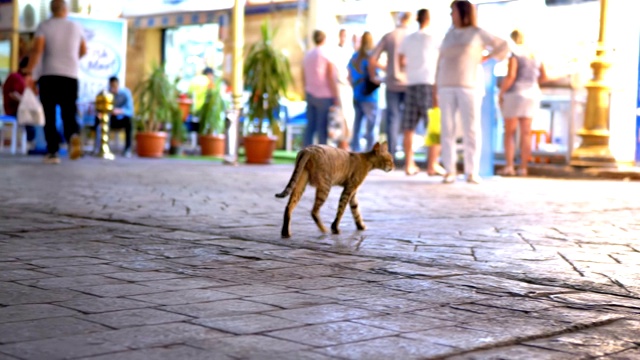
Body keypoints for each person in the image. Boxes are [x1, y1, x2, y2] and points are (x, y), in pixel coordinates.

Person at [435, 0, 508, 184]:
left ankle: (471, 171)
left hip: (470, 85)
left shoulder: (477, 33)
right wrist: (435, 86)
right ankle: (450, 170)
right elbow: (440, 60)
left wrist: (488, 58)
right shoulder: (448, 34)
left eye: (453, 11)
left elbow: (503, 46)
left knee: (471, 129)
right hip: (446, 85)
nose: (451, 15)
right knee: (447, 129)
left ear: (463, 12)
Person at [25, 0, 87, 164]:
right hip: (70, 75)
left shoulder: (44, 26)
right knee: (69, 112)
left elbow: (38, 49)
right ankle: (72, 136)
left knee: (50, 115)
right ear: (66, 9)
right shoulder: (76, 26)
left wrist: (29, 72)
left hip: (49, 75)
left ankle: (53, 152)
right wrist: (72, 60)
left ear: (52, 9)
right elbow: (83, 50)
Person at [398, 8, 444, 176]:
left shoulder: (409, 38)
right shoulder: (433, 38)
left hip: (411, 82)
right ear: (429, 19)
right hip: (429, 83)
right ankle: (432, 164)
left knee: (408, 127)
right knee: (433, 124)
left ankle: (409, 164)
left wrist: (409, 69)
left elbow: (401, 60)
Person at [498, 30, 548, 177]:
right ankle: (523, 168)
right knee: (526, 133)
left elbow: (511, 75)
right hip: (532, 93)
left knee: (510, 132)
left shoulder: (515, 55)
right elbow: (544, 77)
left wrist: (501, 93)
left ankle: (509, 166)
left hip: (515, 94)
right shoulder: (535, 55)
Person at [369, 12, 411, 158]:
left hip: (392, 82)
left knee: (393, 119)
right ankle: (408, 156)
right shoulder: (412, 36)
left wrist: (375, 75)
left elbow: (373, 58)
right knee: (409, 120)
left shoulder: (390, 36)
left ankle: (392, 154)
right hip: (410, 83)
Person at [302, 29, 340, 147]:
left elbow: (302, 75)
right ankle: (322, 156)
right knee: (322, 128)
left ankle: (305, 153)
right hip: (324, 96)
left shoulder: (308, 55)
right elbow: (330, 76)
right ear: (324, 39)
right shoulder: (326, 55)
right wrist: (336, 95)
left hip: (310, 93)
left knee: (310, 127)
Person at [348, 31, 379, 152]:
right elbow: (374, 76)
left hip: (357, 94)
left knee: (357, 124)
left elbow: (349, 76)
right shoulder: (371, 57)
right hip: (370, 96)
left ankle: (355, 149)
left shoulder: (354, 57)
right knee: (371, 126)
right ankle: (371, 151)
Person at [94, 76, 134, 157]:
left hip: (120, 118)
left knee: (129, 121)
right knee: (98, 119)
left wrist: (120, 111)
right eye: (111, 86)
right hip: (109, 118)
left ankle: (127, 149)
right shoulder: (105, 93)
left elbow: (130, 111)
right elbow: (98, 107)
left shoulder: (126, 93)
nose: (113, 88)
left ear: (118, 85)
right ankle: (98, 148)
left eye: (114, 86)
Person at [2, 57, 37, 144]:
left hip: (19, 110)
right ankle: (30, 141)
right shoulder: (15, 77)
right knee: (32, 118)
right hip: (13, 110)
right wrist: (25, 102)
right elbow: (13, 94)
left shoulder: (23, 79)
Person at [336, 28, 355, 150]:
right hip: (339, 86)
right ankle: (341, 142)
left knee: (349, 115)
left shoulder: (351, 51)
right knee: (340, 115)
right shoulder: (335, 51)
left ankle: (347, 141)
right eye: (342, 35)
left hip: (349, 87)